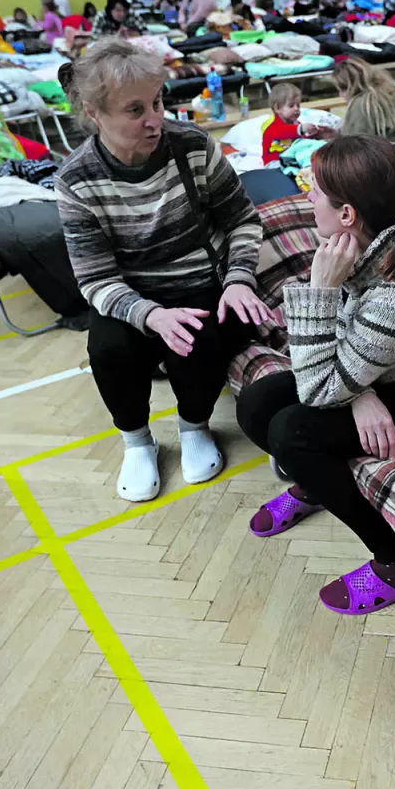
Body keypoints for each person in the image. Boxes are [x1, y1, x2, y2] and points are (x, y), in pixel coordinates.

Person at [235, 135, 395, 614]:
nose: (307, 197)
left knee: (292, 434)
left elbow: (315, 387)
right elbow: (340, 359)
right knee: (257, 402)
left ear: (347, 214)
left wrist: (320, 290)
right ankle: (319, 483)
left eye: (313, 190)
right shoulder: (374, 245)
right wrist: (358, 394)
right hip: (392, 372)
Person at [55, 40, 270, 502]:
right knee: (108, 349)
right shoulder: (76, 180)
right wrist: (151, 316)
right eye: (135, 110)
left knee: (202, 337)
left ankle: (194, 425)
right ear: (95, 113)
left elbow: (242, 219)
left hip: (199, 282)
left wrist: (237, 280)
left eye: (157, 102)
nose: (154, 118)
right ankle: (137, 441)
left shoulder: (191, 145)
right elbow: (95, 279)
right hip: (132, 296)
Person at [330, 60, 395, 142]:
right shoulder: (390, 91)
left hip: (385, 152)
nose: (340, 95)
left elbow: (352, 145)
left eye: (341, 90)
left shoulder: (361, 104)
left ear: (350, 87)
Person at [260, 83, 312, 165]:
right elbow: (283, 131)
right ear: (277, 108)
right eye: (291, 106)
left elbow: (300, 139)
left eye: (298, 105)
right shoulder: (273, 125)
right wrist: (301, 129)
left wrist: (310, 135)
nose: (296, 109)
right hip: (274, 161)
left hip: (291, 159)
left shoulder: (296, 123)